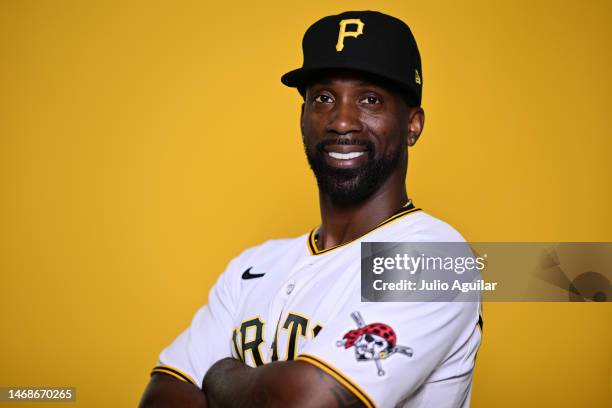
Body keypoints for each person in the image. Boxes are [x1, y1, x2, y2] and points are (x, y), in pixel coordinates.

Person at [139, 10, 481, 408]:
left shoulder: (437, 259)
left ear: (413, 125)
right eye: (323, 98)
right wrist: (273, 387)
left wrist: (220, 375)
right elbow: (161, 399)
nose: (342, 121)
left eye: (370, 99)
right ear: (302, 116)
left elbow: (309, 402)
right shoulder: (251, 267)